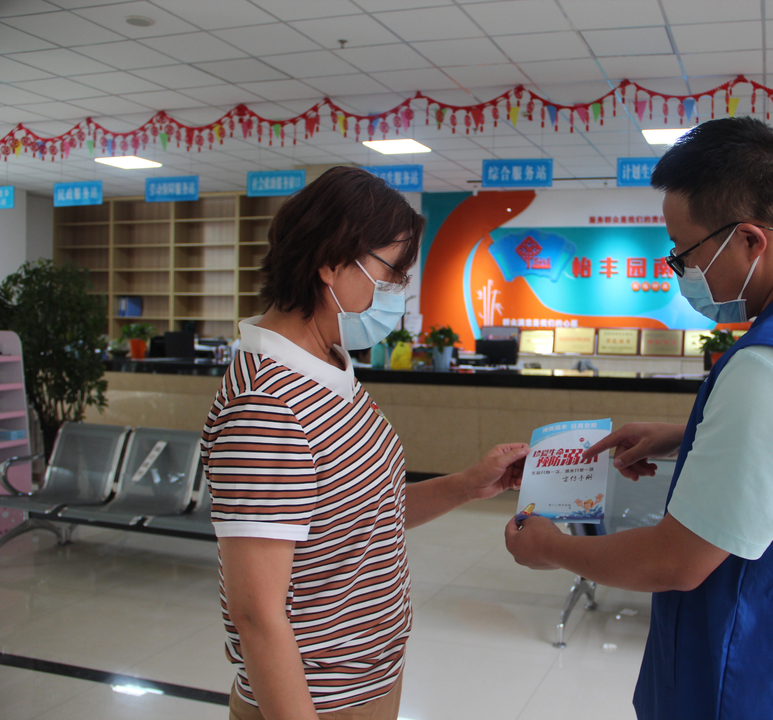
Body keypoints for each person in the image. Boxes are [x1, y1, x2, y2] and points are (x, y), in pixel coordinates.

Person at [505, 118, 773, 720]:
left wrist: (554, 549)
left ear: (750, 240)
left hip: (754, 680)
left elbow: (675, 562)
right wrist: (688, 437)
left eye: (685, 254)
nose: (681, 272)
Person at [202, 167, 528, 720]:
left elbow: (363, 513)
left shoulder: (328, 365)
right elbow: (256, 614)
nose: (401, 289)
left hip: (370, 678)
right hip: (317, 698)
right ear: (331, 263)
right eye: (392, 271)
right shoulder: (266, 407)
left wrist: (465, 486)